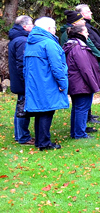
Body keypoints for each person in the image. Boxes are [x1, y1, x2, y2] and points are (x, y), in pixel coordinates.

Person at [24, 17, 69, 151]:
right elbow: (57, 66)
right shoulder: (48, 43)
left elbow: (25, 66)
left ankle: (39, 140)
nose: (55, 31)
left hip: (34, 82)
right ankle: (44, 143)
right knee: (47, 112)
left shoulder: (31, 42)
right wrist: (62, 83)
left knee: (40, 112)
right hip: (47, 82)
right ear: (49, 28)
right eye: (54, 28)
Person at [64, 25, 100, 139]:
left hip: (76, 82)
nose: (88, 34)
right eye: (86, 32)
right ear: (80, 33)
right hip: (81, 83)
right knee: (82, 108)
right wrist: (93, 84)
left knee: (77, 108)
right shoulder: (78, 47)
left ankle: (76, 132)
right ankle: (80, 134)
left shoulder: (73, 45)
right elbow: (85, 69)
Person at [8, 15, 35, 145]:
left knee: (20, 107)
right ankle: (23, 137)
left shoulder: (16, 39)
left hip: (18, 80)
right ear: (25, 26)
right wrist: (26, 81)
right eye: (31, 24)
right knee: (23, 109)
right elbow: (22, 64)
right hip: (22, 81)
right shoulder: (22, 41)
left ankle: (20, 135)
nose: (33, 26)